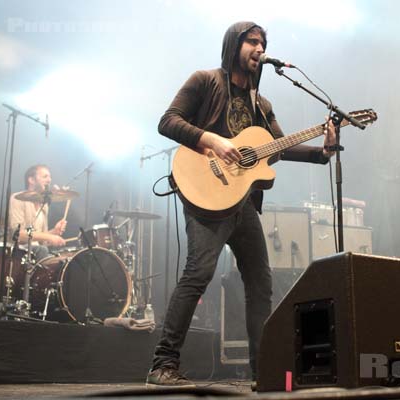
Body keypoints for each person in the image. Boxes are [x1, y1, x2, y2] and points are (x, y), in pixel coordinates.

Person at [146, 21, 336, 387]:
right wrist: (211, 142)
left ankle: (261, 371)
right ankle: (162, 365)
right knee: (198, 274)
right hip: (205, 194)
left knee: (261, 284)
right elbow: (167, 121)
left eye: (263, 42)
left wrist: (323, 151)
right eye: (252, 41)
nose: (259, 48)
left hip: (243, 204)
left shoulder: (261, 105)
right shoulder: (205, 81)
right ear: (234, 45)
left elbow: (280, 145)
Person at [9, 164, 67, 261]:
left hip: (36, 252)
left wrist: (54, 232)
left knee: (61, 258)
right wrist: (49, 237)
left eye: (50, 177)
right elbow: (18, 233)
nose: (49, 180)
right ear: (31, 180)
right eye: (45, 176)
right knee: (42, 250)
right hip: (17, 251)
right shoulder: (18, 199)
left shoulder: (44, 205)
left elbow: (41, 238)